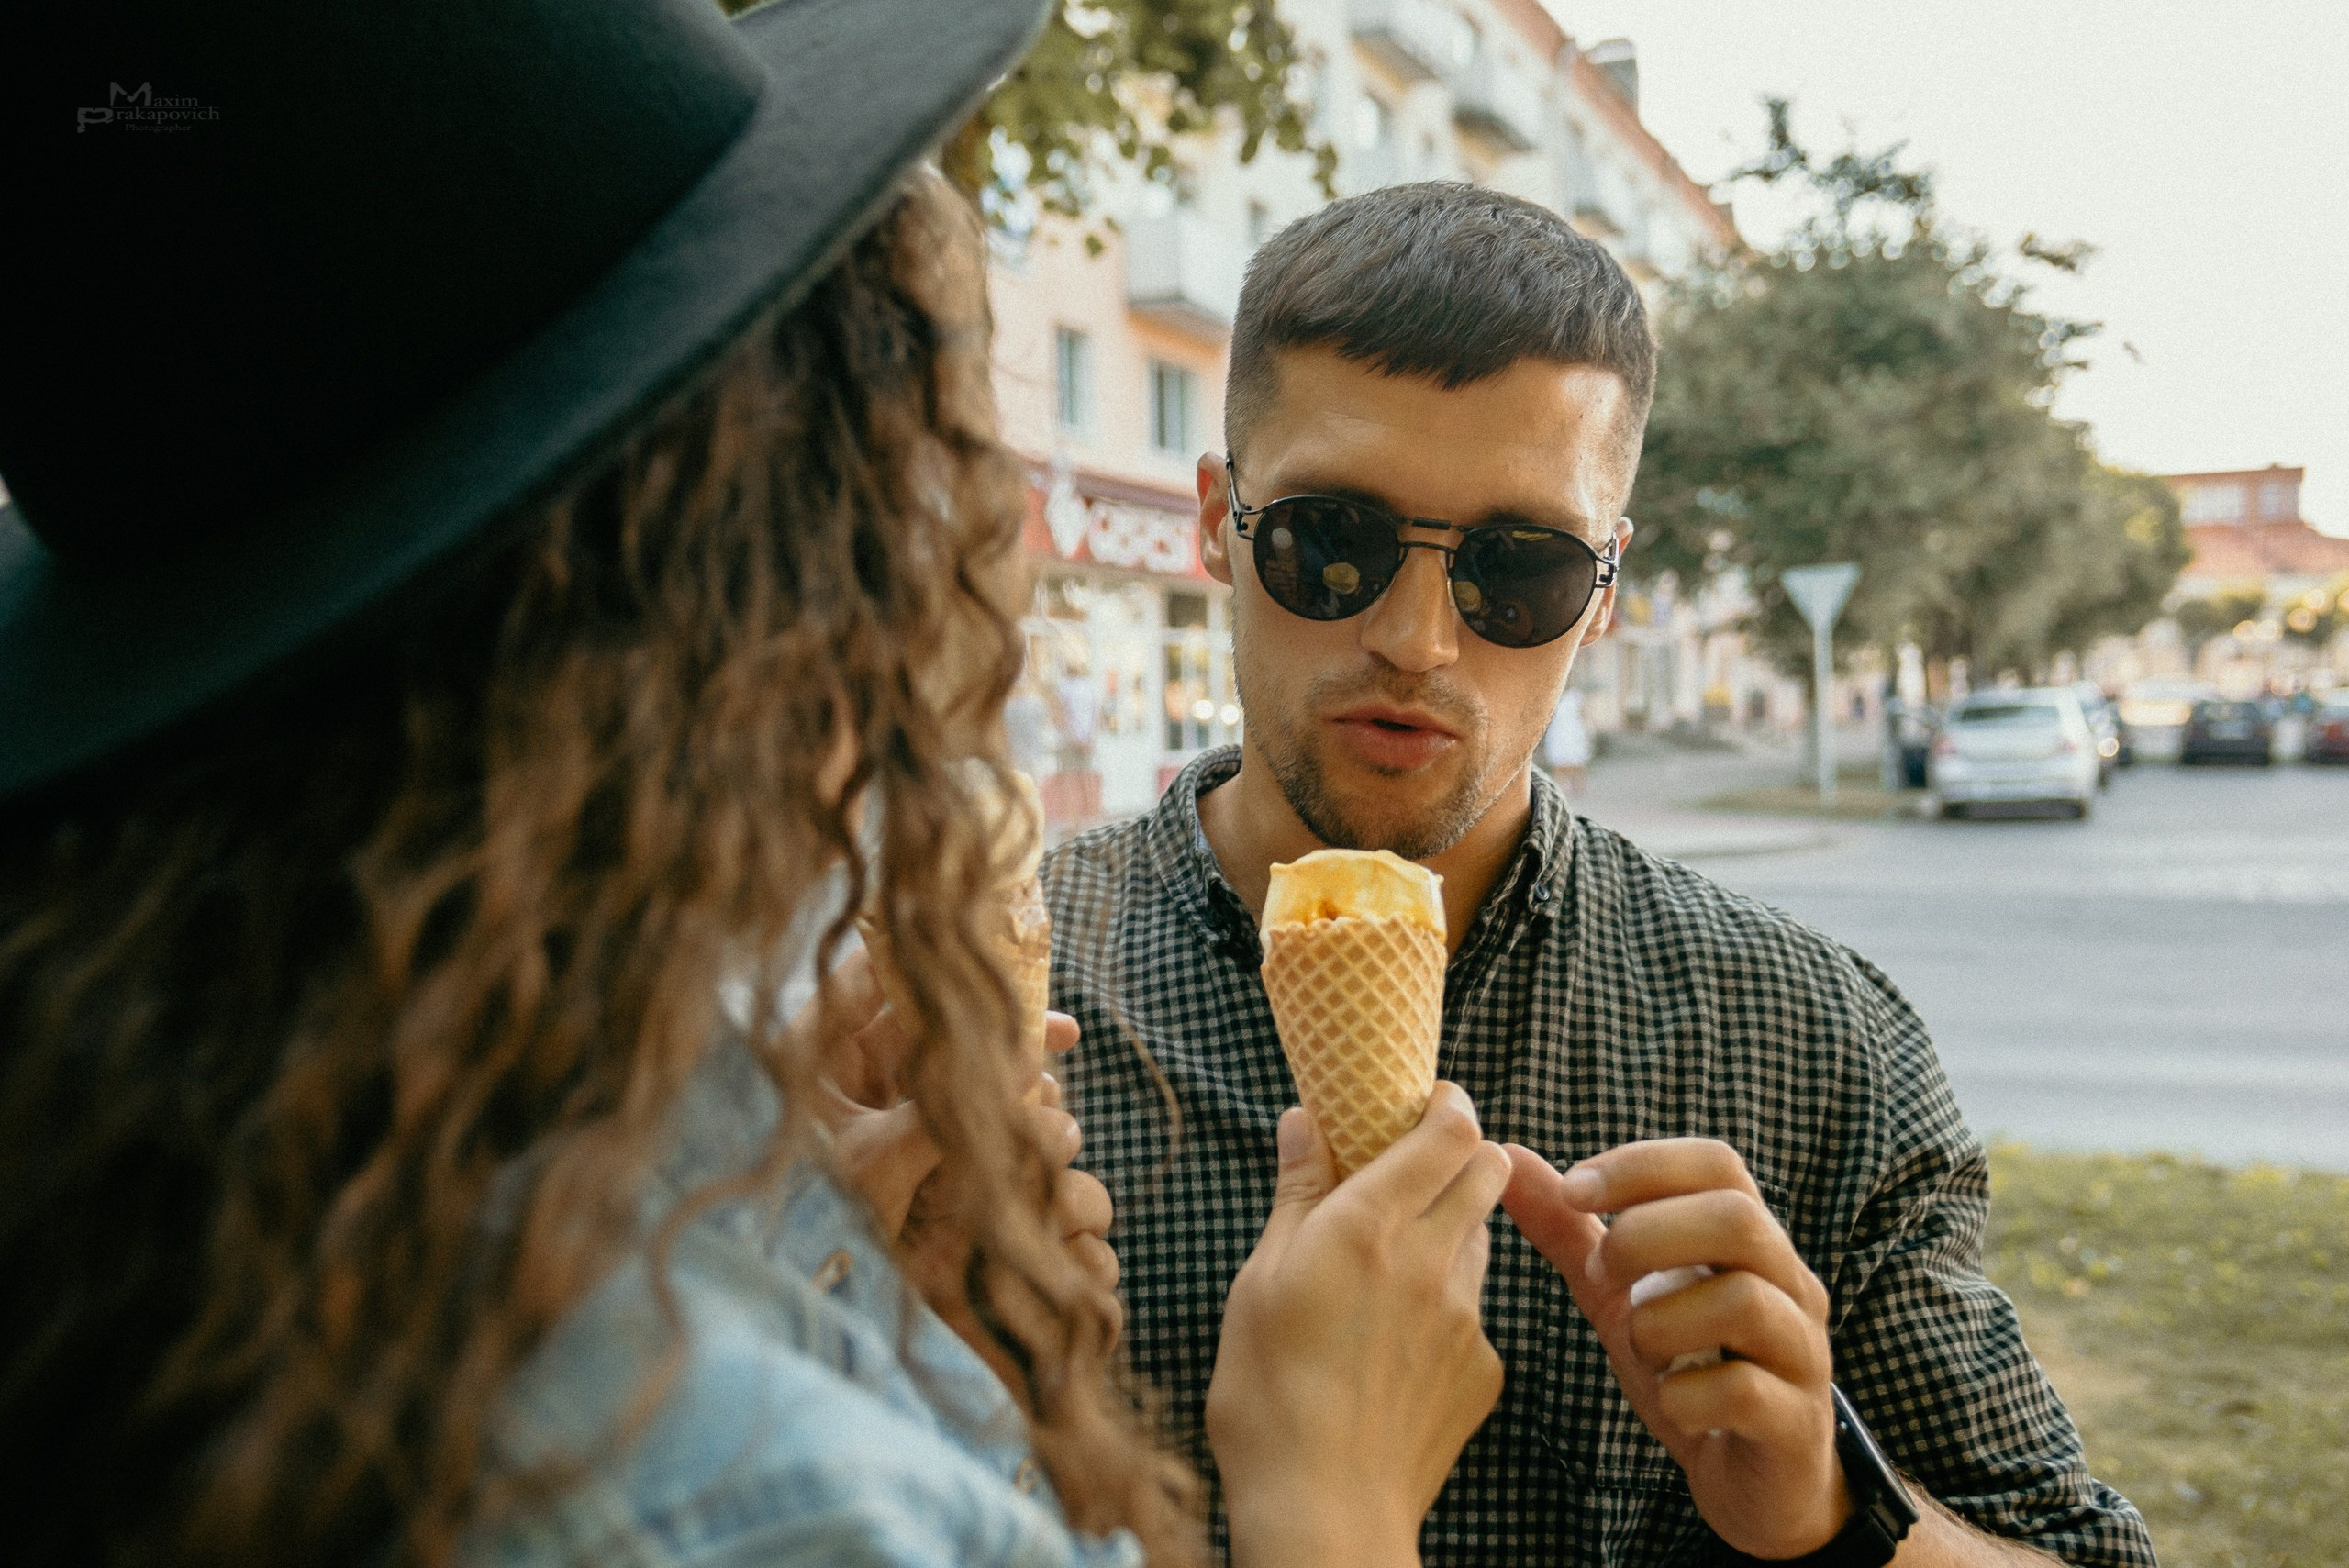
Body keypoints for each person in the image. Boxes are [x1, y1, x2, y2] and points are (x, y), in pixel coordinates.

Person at [0, 7, 1513, 1567]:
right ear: (757, 579)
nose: (972, 540)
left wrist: (885, 1333)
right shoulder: (748, 1492)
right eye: (928, 452)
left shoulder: (186, 1184)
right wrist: (1330, 1492)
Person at [1042, 183, 2155, 1566]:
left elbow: (2073, 1546)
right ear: (1218, 519)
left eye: (1519, 568)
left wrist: (1827, 1509)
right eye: (1332, 539)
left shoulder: (1807, 1041)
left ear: (1608, 584)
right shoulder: (982, 1003)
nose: (1417, 640)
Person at [1542, 684, 1593, 796]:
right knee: (1558, 761)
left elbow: (1584, 715)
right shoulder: (1552, 693)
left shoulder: (1576, 696)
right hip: (1558, 732)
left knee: (1576, 761)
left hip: (1573, 732)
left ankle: (1579, 787)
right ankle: (1560, 789)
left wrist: (1587, 731)